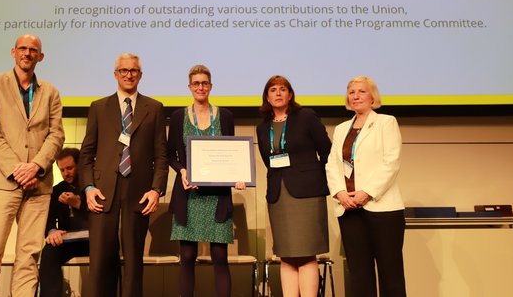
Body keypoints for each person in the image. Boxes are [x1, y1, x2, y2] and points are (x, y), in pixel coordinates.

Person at [0, 34, 65, 297]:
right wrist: (19, 169)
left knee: (28, 259)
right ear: (13, 52)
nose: (28, 53)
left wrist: (36, 166)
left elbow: (57, 135)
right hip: (1, 183)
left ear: (41, 57)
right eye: (23, 49)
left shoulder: (50, 91)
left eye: (33, 50)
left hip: (38, 185)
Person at [79, 53, 169, 297]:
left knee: (133, 262)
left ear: (140, 75)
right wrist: (88, 187)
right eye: (124, 70)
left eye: (134, 71)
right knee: (99, 263)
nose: (129, 75)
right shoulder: (99, 107)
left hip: (139, 192)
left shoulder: (155, 108)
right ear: (115, 74)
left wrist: (156, 189)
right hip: (101, 192)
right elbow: (86, 153)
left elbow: (161, 155)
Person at [324, 76, 406, 297]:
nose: (356, 96)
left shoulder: (386, 122)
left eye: (361, 91)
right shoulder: (341, 128)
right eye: (351, 92)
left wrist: (366, 193)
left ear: (373, 97)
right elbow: (332, 164)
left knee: (391, 274)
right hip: (349, 209)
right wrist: (340, 193)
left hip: (382, 209)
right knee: (359, 275)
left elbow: (391, 162)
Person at [168, 65, 245, 297]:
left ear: (210, 86)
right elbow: (171, 154)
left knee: (220, 257)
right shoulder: (179, 116)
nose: (200, 87)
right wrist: (181, 170)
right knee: (188, 256)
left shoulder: (225, 116)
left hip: (218, 195)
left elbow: (234, 152)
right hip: (188, 193)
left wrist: (239, 175)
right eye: (196, 83)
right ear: (189, 87)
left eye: (204, 83)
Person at [256, 75, 332, 297]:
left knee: (307, 254)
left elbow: (327, 151)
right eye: (272, 90)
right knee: (286, 254)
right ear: (267, 97)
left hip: (307, 193)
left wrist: (318, 177)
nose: (278, 93)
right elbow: (266, 160)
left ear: (290, 94)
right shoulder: (263, 127)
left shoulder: (306, 116)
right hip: (279, 195)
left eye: (282, 89)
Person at [39, 147, 90, 297]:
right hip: (69, 242)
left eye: (69, 168)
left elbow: (104, 215)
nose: (66, 173)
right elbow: (47, 219)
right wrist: (51, 231)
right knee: (48, 252)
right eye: (62, 170)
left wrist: (79, 204)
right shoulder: (57, 191)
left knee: (107, 251)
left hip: (94, 241)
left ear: (79, 164)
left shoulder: (92, 187)